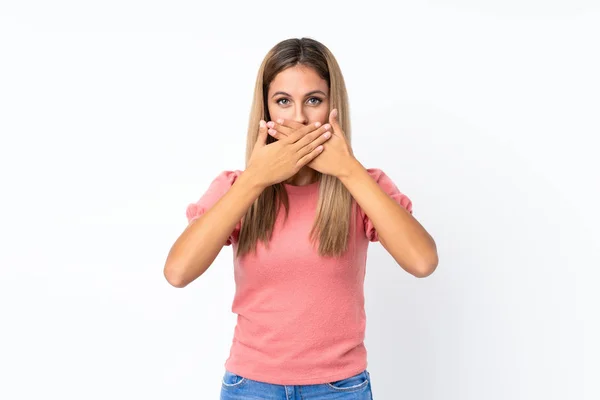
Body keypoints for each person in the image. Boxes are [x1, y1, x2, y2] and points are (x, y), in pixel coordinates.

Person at [164, 37, 438, 400]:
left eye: (313, 100)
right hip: (251, 387)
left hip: (340, 389)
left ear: (332, 106)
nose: (298, 118)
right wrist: (256, 178)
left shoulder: (362, 187)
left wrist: (349, 171)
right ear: (264, 111)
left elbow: (422, 262)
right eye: (283, 101)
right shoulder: (236, 187)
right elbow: (177, 272)